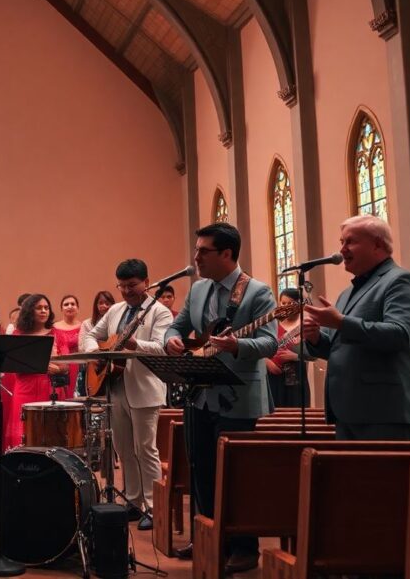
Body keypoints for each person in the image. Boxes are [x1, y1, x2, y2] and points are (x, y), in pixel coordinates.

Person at [164, 222, 276, 572]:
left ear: (226, 254)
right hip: (200, 394)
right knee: (201, 468)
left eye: (203, 251)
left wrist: (238, 344)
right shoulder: (198, 290)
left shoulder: (257, 292)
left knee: (236, 473)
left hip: (238, 397)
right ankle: (208, 536)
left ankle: (244, 548)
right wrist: (171, 339)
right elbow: (177, 325)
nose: (195, 257)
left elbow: (271, 342)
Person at [303, 215, 410, 440]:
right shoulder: (347, 294)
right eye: (341, 242)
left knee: (383, 476)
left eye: (350, 242)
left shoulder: (400, 281)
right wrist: (315, 339)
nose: (342, 250)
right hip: (348, 410)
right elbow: (339, 347)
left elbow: (398, 335)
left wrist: (340, 322)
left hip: (385, 410)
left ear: (377, 244)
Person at [82, 259, 172, 530]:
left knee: (145, 449)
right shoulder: (116, 310)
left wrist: (136, 344)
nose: (126, 292)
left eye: (132, 286)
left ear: (146, 282)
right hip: (115, 386)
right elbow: (89, 335)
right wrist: (97, 353)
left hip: (145, 389)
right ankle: (133, 502)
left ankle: (153, 507)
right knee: (123, 449)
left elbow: (161, 348)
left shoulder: (160, 312)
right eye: (121, 286)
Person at [3, 294, 68, 450]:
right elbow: (12, 364)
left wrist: (58, 368)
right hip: (25, 388)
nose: (43, 311)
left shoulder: (57, 334)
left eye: (46, 308)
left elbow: (66, 365)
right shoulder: (18, 334)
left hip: (50, 388)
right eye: (39, 308)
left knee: (51, 432)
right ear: (29, 311)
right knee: (24, 433)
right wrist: (41, 365)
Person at [265, 288, 309, 408]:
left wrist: (295, 356)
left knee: (295, 414)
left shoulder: (306, 325)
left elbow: (315, 354)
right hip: (273, 377)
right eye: (283, 303)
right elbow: (261, 347)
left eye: (290, 303)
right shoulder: (272, 325)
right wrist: (267, 362)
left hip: (296, 378)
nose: (286, 306)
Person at [77, 290, 115, 395]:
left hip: (113, 369)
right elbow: (81, 347)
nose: (104, 306)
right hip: (93, 368)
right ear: (96, 305)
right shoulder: (87, 324)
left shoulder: (116, 324)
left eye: (107, 303)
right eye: (100, 303)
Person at [53, 295, 82, 393]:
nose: (70, 306)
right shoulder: (54, 327)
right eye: (66, 304)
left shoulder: (83, 327)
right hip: (58, 368)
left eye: (73, 304)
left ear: (77, 308)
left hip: (78, 368)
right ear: (61, 309)